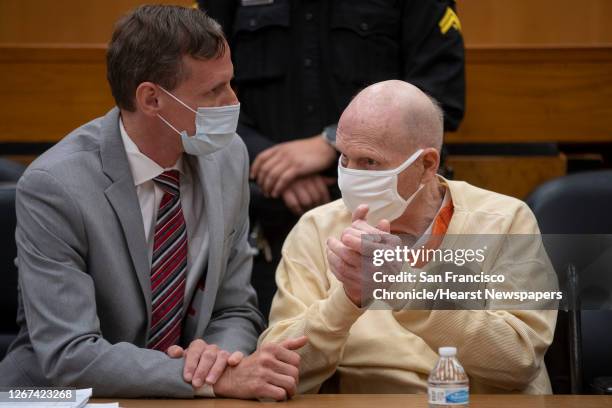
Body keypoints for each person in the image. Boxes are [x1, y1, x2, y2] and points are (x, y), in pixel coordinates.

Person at [0, 5, 305, 401]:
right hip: (67, 397)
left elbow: (235, 310)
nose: (233, 102)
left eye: (230, 83)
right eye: (214, 91)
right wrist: (208, 379)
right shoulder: (56, 185)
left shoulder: (228, 156)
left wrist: (216, 357)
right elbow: (68, 355)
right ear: (151, 99)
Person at [259, 80, 557, 394]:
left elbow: (520, 360)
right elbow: (279, 372)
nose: (351, 175)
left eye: (370, 162)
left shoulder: (505, 220)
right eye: (344, 158)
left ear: (427, 164)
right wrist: (348, 299)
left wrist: (403, 285)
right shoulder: (318, 228)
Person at [200, 0, 466, 317]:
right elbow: (206, 94)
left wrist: (331, 145)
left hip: (395, 216)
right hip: (263, 219)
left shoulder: (503, 220)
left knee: (400, 345)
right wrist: (274, 166)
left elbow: (437, 100)